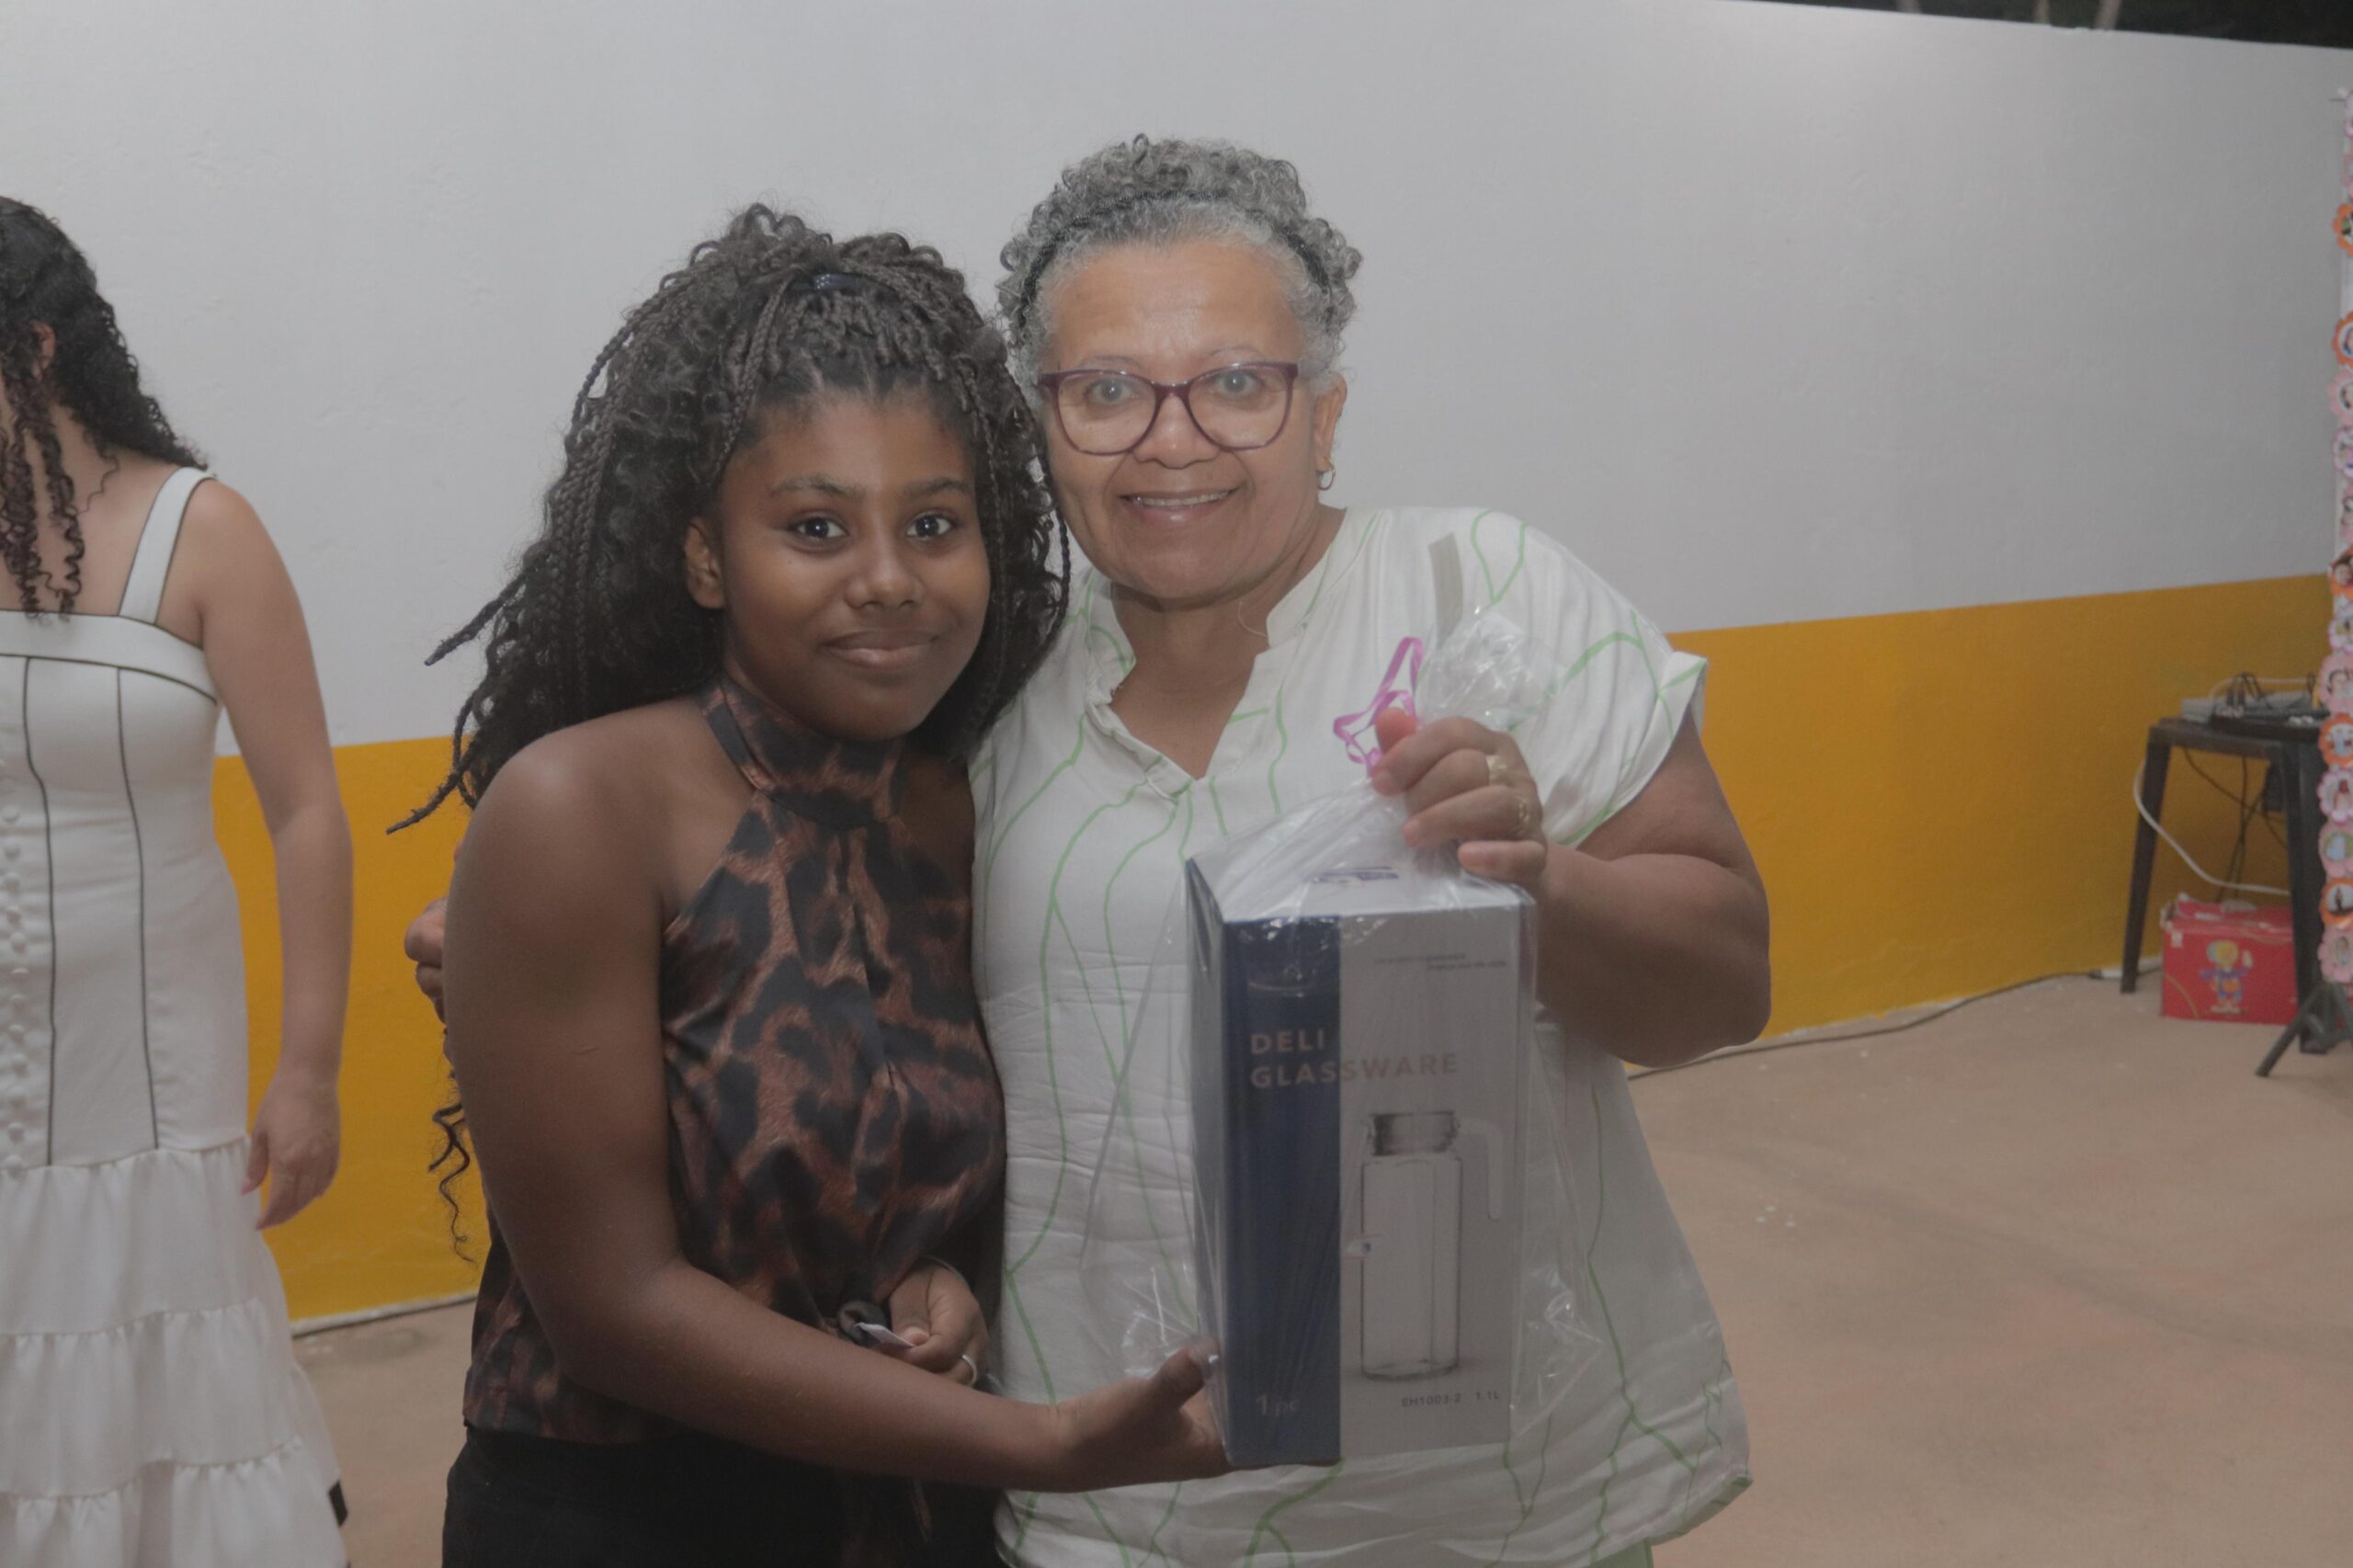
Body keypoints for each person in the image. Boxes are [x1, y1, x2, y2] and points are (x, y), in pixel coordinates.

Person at [414, 141, 1771, 1565]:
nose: (1171, 439)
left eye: (1237, 382)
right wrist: (551, 953)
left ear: (1324, 413)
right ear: (1044, 427)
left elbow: (1723, 989)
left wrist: (1538, 877)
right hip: (1110, 1523)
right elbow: (863, 1041)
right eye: (1107, 390)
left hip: (1493, 1509)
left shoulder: (1486, 598)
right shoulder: (986, 710)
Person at [415, 208, 1225, 1568]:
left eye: (934, 524)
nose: (889, 580)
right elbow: (613, 1307)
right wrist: (1038, 1443)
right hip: (630, 1521)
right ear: (706, 556)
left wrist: (937, 1278)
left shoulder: (956, 811)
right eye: (815, 527)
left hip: (905, 1510)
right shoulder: (584, 809)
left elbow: (916, 1169)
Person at [0, 199, 352, 1565]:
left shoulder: (202, 532)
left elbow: (307, 812)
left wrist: (309, 1070)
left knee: (162, 1388)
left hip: (149, 1083)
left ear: (36, 351)